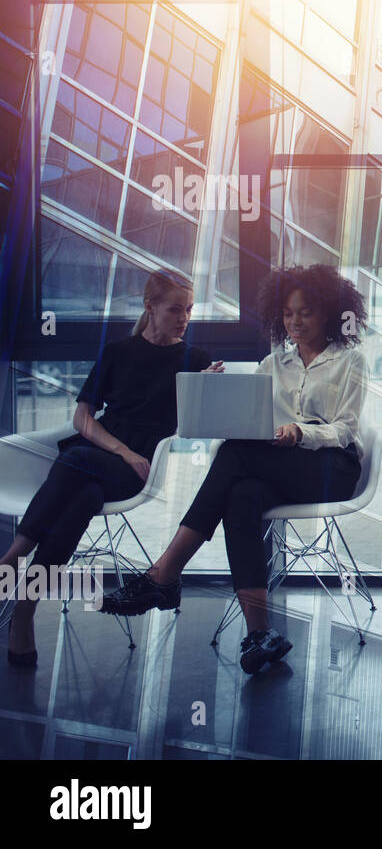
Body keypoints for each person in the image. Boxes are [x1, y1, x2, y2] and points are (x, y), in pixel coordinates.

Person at [99, 265, 369, 676]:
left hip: (333, 468)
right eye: (288, 313)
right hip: (278, 468)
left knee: (235, 456)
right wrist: (210, 394)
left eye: (306, 312)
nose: (294, 322)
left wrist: (300, 432)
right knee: (241, 495)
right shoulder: (273, 363)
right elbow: (247, 417)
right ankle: (260, 632)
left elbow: (347, 429)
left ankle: (166, 572)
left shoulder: (350, 361)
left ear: (330, 312)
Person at [1, 269, 221, 667]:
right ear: (150, 307)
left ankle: (12, 559)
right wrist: (123, 451)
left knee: (76, 460)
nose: (184, 317)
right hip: (105, 455)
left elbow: (192, 432)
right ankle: (25, 609)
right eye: (175, 309)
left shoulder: (196, 360)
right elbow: (82, 418)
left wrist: (203, 392)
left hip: (138, 470)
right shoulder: (118, 352)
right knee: (83, 492)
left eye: (188, 309)